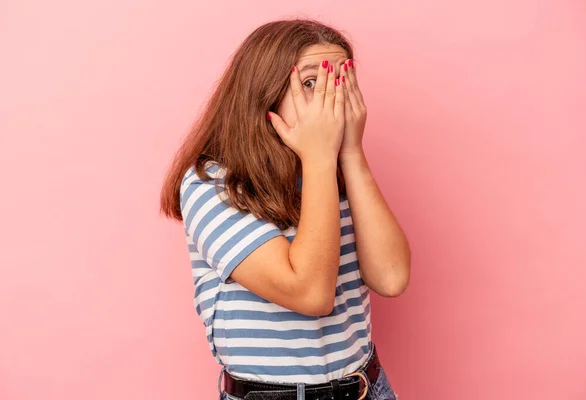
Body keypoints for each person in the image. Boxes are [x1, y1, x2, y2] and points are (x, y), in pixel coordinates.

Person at [160, 18, 411, 400]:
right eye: (312, 83)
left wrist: (351, 153)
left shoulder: (334, 171)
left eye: (341, 81)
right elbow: (310, 293)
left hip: (366, 388)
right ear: (266, 93)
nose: (333, 99)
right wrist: (320, 159)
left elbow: (392, 278)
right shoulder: (212, 184)